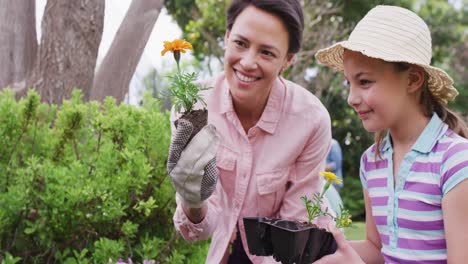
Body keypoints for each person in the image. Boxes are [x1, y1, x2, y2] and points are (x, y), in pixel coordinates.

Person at [166, 0, 334, 263]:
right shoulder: (194, 106)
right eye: (240, 43)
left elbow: (296, 229)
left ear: (287, 60)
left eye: (266, 52)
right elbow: (198, 230)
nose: (247, 62)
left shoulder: (310, 121)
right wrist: (193, 200)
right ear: (227, 37)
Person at [313, 5, 468, 263]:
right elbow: (377, 249)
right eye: (349, 83)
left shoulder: (455, 162)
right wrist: (321, 251)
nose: (351, 98)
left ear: (413, 79)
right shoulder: (371, 161)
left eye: (364, 82)